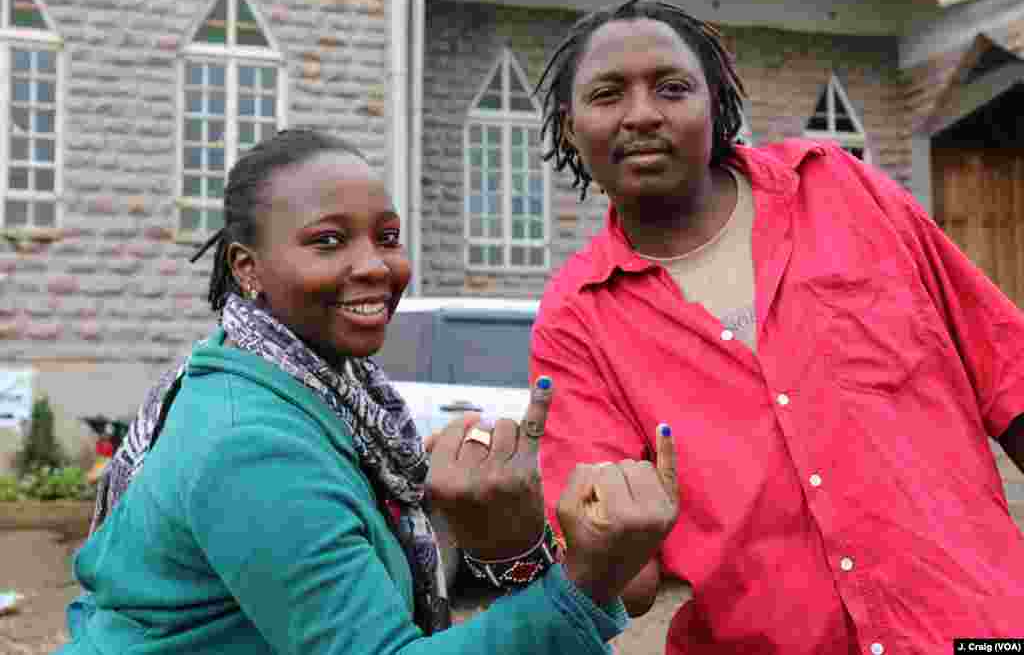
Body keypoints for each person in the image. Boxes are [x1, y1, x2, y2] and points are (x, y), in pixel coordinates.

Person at [528, 0, 1024, 654]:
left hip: (978, 632)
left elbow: (1011, 378)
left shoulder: (841, 192)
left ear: (718, 106)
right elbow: (627, 581)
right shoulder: (577, 317)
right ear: (569, 126)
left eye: (672, 88)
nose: (641, 114)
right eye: (607, 94)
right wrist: (541, 531)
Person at [55, 129, 681, 655]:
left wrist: (516, 546)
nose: (375, 265)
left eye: (386, 237)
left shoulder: (324, 390)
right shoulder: (251, 443)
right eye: (328, 241)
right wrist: (581, 582)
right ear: (248, 269)